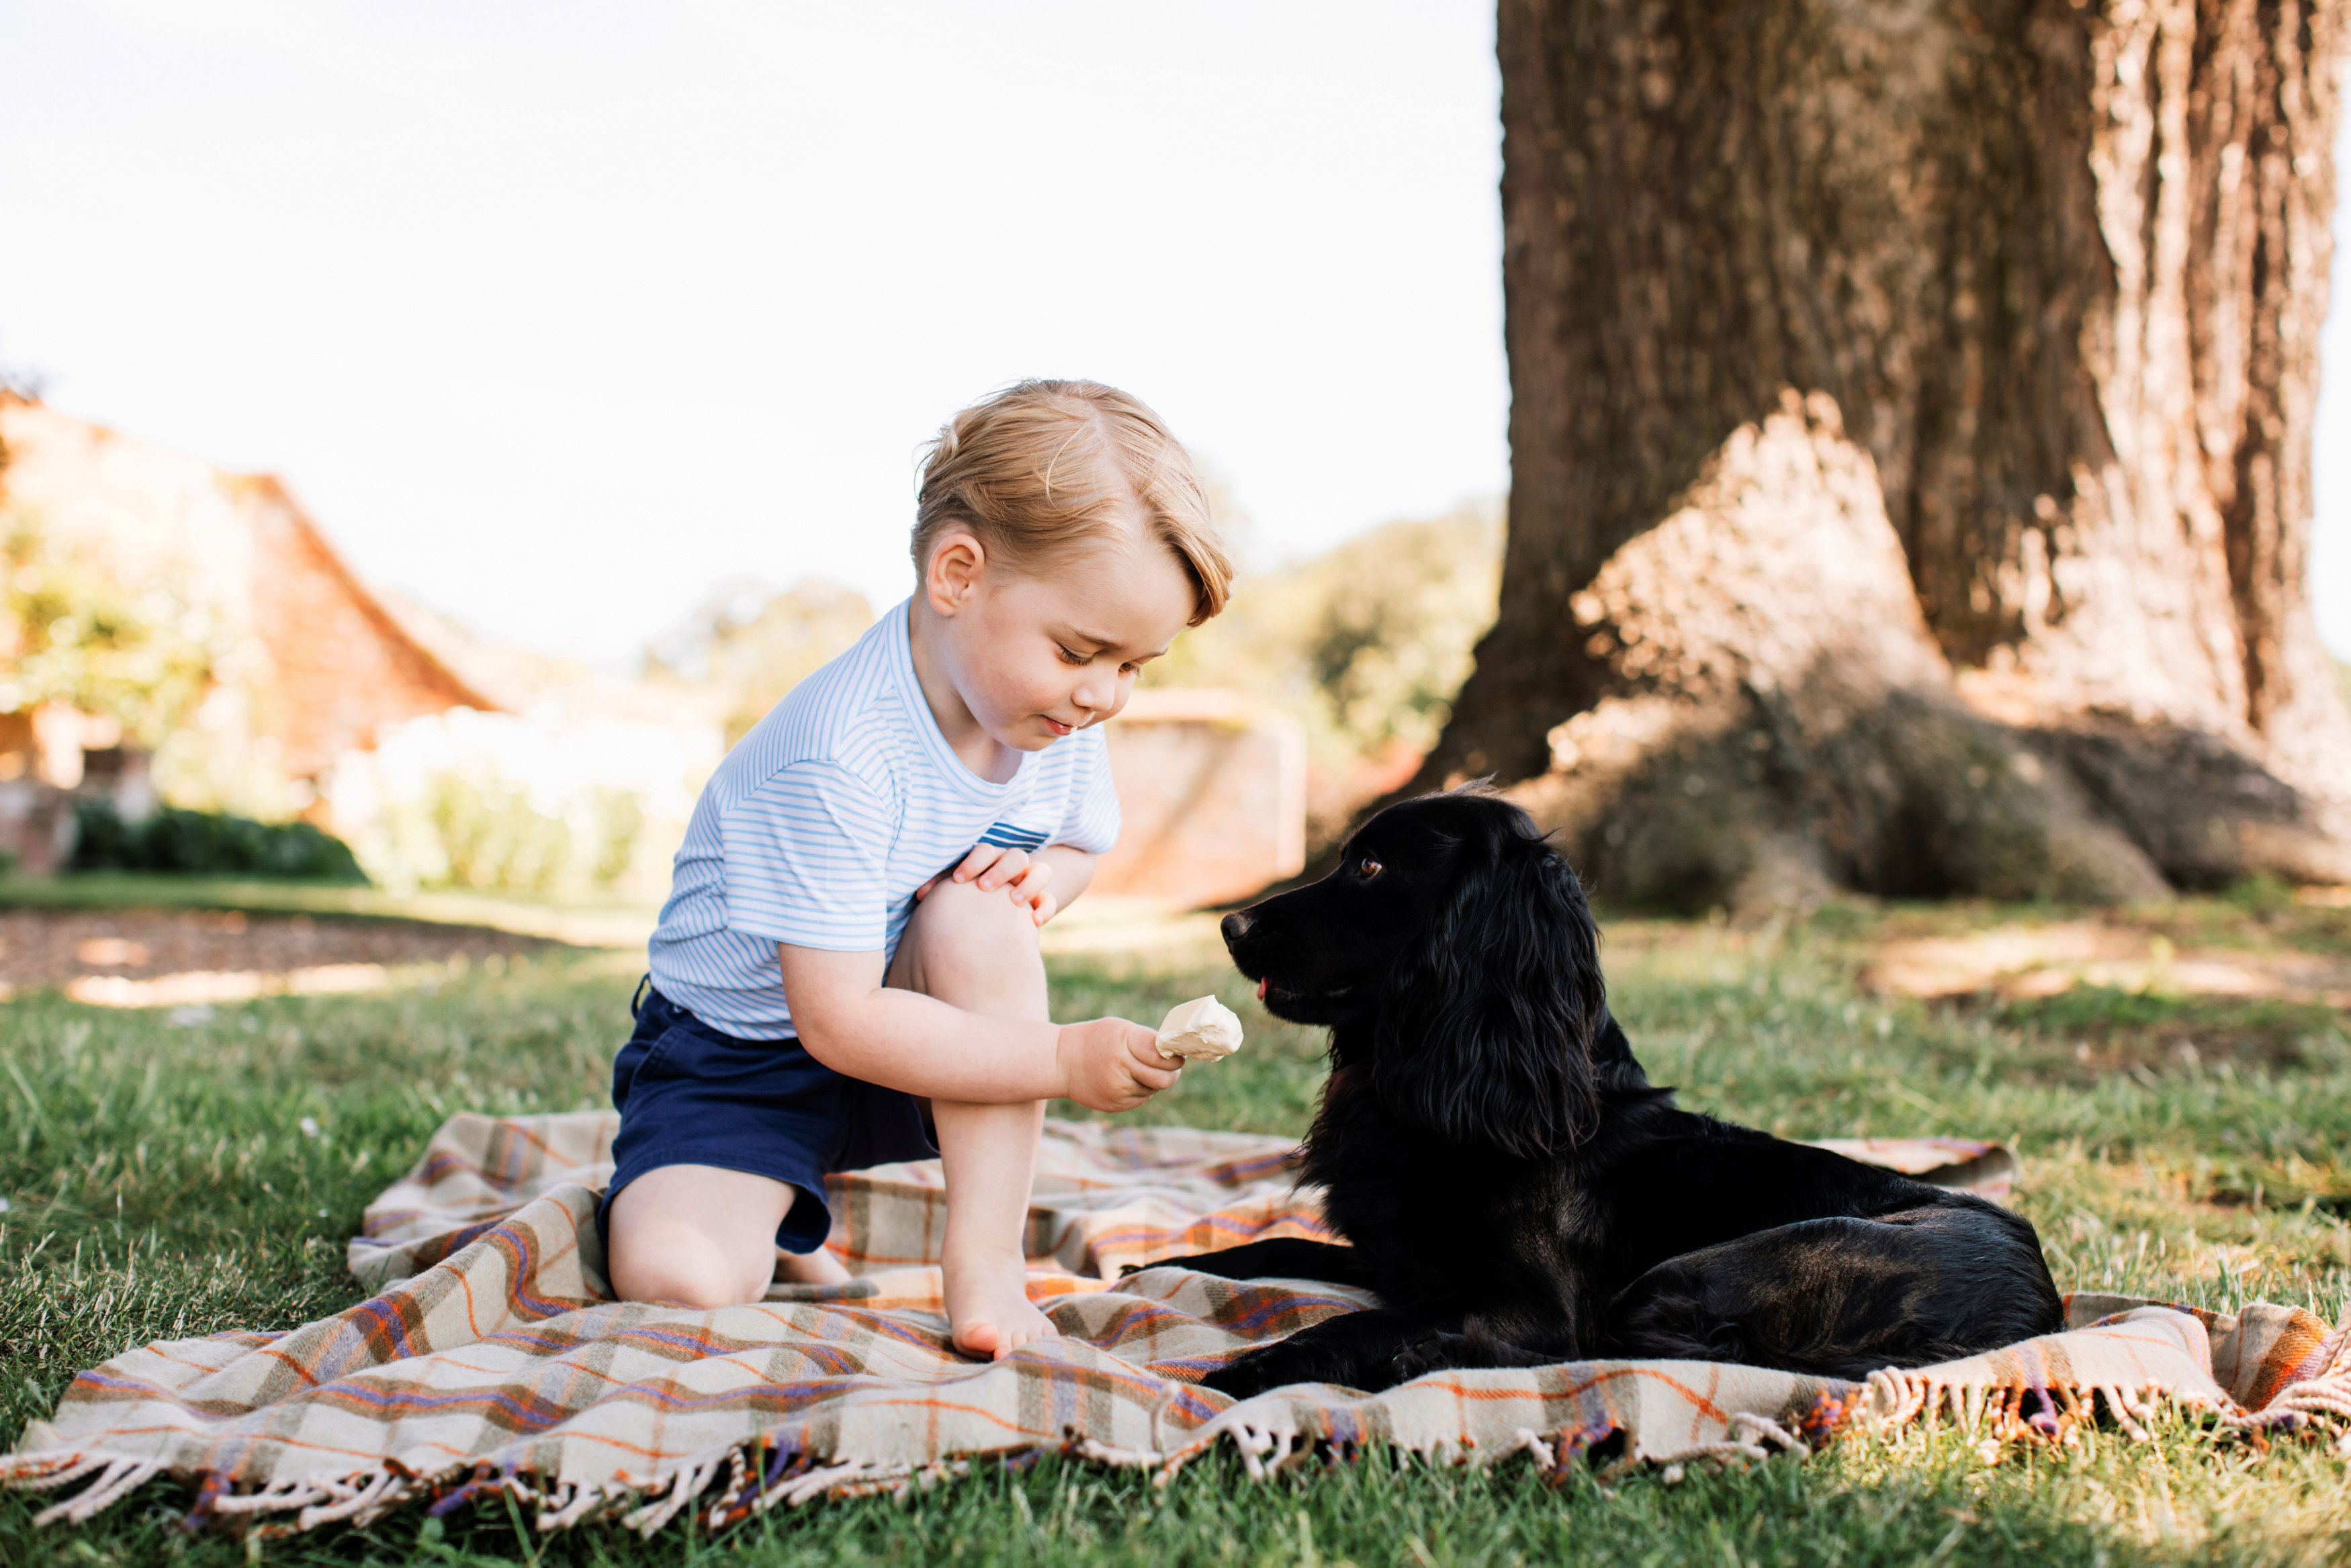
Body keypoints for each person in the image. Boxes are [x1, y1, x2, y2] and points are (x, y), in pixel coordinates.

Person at [602, 379, 1233, 1359]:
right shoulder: (837, 756)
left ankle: (984, 1267)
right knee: (678, 1283)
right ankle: (764, 1200)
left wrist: (1040, 886)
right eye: (1081, 650)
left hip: (917, 1035)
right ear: (958, 574)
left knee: (981, 919)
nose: (1105, 694)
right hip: (741, 1057)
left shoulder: (1050, 712)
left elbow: (1076, 846)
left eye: (1134, 666)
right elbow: (837, 1020)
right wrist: (1064, 1059)